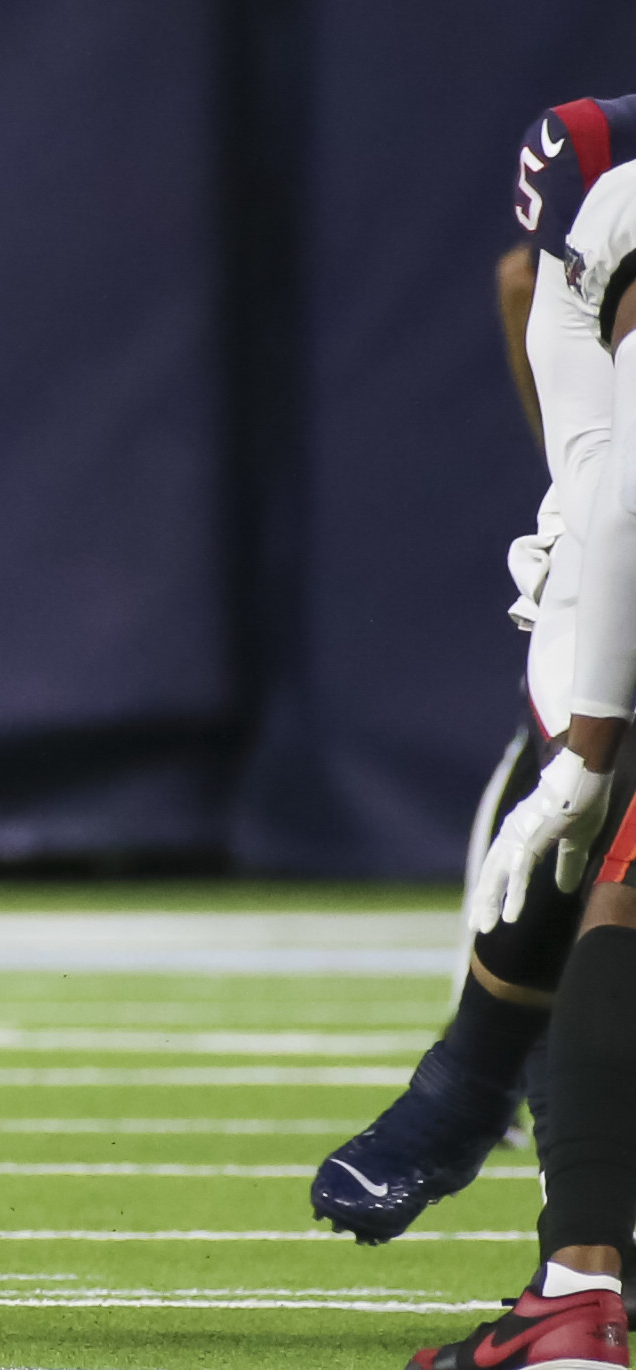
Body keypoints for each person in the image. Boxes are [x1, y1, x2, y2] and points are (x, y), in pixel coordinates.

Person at [312, 98, 636, 1249]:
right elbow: (615, 486)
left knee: (586, 815)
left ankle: (479, 1099)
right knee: (582, 837)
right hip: (622, 558)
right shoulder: (601, 169)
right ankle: (573, 1240)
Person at [403, 99, 636, 1368]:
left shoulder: (607, 176)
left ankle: (576, 1287)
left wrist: (587, 744)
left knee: (619, 884)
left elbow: (622, 494)